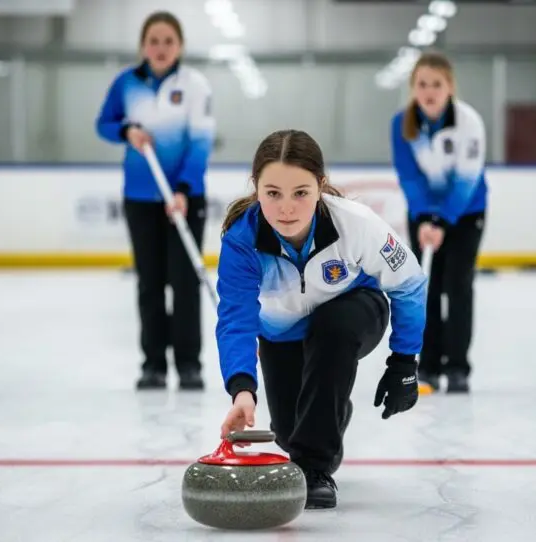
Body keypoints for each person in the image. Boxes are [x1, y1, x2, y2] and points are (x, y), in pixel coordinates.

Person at [214, 129, 428, 510]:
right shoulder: (241, 241)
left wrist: (404, 362)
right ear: (256, 188)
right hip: (282, 333)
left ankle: (314, 470)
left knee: (334, 330)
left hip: (355, 311)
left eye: (301, 193)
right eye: (273, 193)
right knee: (289, 433)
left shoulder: (356, 223)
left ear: (321, 186)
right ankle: (330, 411)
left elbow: (409, 285)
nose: (286, 208)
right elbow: (236, 319)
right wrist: (242, 389)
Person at [95, 11, 216, 391]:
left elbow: (200, 143)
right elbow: (104, 123)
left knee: (184, 283)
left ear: (179, 45)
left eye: (168, 41)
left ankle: (189, 365)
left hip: (185, 198)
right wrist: (126, 130)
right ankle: (153, 365)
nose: (160, 48)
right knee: (149, 283)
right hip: (140, 199)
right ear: (143, 46)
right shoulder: (126, 84)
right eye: (153, 41)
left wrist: (182, 189)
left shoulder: (195, 85)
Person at [390, 51, 488, 395]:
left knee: (457, 287)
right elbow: (410, 178)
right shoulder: (402, 124)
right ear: (413, 88)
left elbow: (467, 181)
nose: (429, 91)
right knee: (425, 289)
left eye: (436, 84)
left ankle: (458, 367)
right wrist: (426, 218)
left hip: (466, 214)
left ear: (449, 88)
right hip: (422, 216)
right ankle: (428, 366)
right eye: (422, 84)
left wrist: (442, 221)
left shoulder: (469, 123)